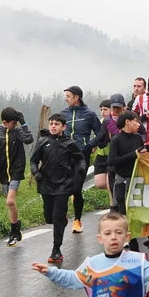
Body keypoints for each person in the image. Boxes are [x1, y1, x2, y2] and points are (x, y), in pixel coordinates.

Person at [30, 113, 87, 264]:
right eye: (51, 124)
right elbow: (33, 161)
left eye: (56, 124)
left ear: (63, 127)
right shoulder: (43, 142)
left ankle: (56, 250)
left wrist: (81, 170)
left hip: (64, 185)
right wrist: (36, 173)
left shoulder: (69, 143)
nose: (53, 126)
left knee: (57, 218)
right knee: (49, 218)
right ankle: (62, 218)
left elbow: (80, 159)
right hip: (46, 184)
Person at [0, 106, 33, 246]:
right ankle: (16, 228)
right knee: (10, 203)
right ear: (5, 122)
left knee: (10, 202)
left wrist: (23, 123)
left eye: (17, 123)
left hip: (16, 171)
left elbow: (29, 139)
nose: (15, 125)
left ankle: (13, 232)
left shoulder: (18, 132)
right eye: (13, 123)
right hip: (3, 173)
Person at [61, 85, 101, 234]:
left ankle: (77, 220)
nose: (66, 99)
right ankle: (63, 214)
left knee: (76, 189)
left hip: (81, 156)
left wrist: (90, 145)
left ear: (76, 97)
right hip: (64, 156)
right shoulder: (63, 114)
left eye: (68, 96)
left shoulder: (89, 114)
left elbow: (101, 133)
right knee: (63, 187)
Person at [107, 110, 144, 215]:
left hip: (137, 179)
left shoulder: (138, 137)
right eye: (136, 121)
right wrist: (134, 154)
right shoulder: (116, 139)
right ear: (127, 122)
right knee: (122, 207)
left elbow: (141, 156)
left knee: (137, 209)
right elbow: (111, 161)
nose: (138, 125)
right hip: (121, 179)